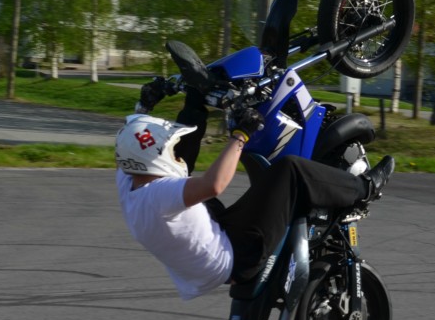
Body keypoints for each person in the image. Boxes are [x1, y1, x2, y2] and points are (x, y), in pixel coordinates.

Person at [115, 100, 394, 301]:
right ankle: (364, 187)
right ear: (156, 158)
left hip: (209, 252)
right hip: (236, 257)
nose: (175, 153)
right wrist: (241, 135)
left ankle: (194, 103)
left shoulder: (130, 180)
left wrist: (145, 105)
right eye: (171, 150)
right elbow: (214, 185)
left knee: (185, 168)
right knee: (289, 171)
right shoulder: (159, 194)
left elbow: (133, 140)